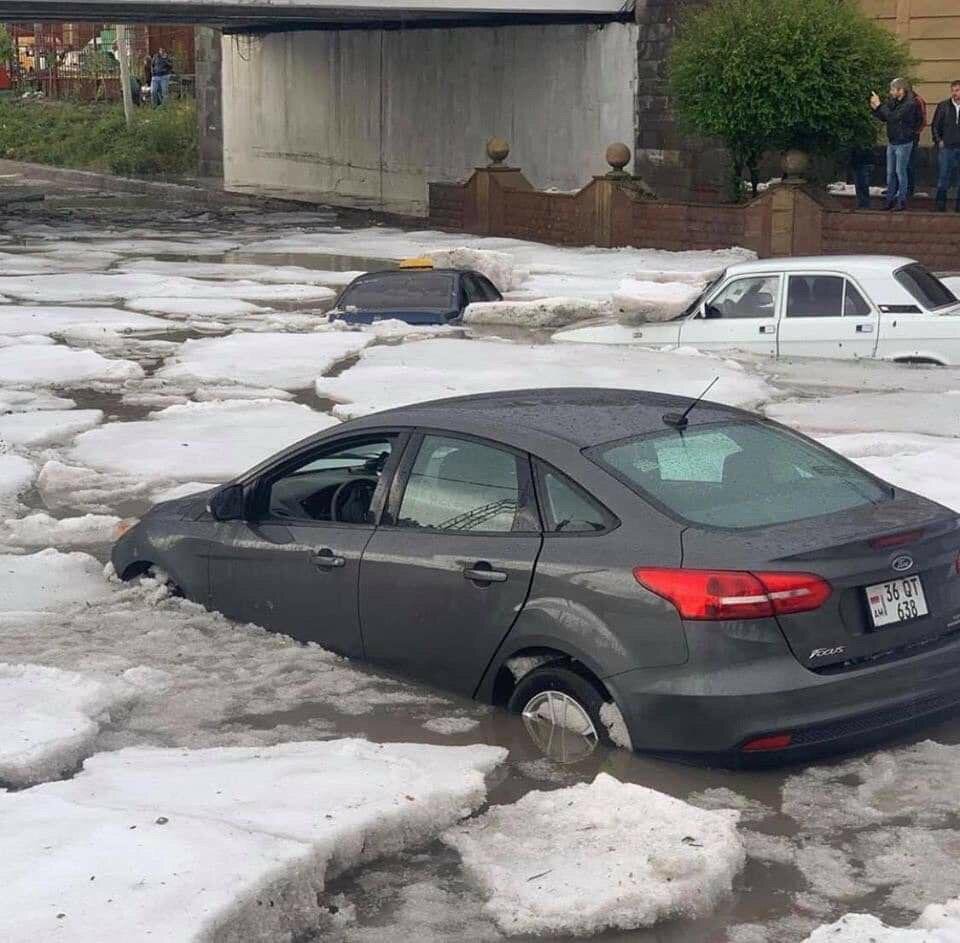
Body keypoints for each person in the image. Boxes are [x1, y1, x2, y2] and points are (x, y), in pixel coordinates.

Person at [870, 79, 924, 211]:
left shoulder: (910, 103)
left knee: (900, 172)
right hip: (893, 140)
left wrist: (879, 105)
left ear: (901, 90)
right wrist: (876, 109)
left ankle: (901, 200)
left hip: (904, 142)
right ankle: (889, 200)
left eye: (893, 90)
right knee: (890, 173)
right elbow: (886, 117)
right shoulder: (894, 101)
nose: (890, 92)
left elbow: (894, 117)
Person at [932, 80, 960, 212]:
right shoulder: (943, 106)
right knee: (943, 176)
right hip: (947, 147)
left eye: (958, 90)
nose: (955, 93)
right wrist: (939, 141)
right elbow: (935, 125)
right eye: (953, 90)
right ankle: (940, 203)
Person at [906, 89, 928, 198]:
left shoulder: (917, 100)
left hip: (911, 138)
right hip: (900, 138)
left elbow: (923, 120)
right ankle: (898, 188)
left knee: (909, 164)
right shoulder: (899, 101)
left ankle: (909, 189)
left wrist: (914, 133)